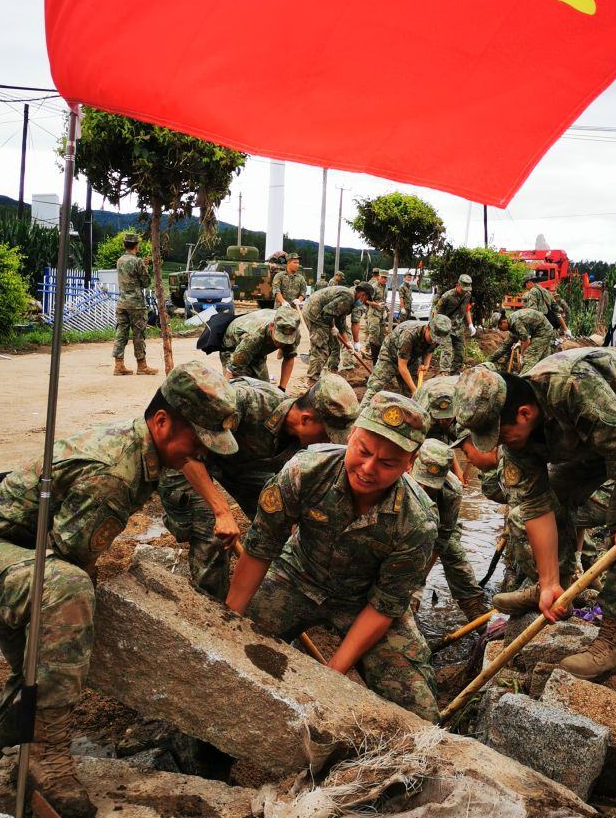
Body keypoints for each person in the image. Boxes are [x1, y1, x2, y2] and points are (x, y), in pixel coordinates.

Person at [0, 364, 239, 818]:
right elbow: (69, 560)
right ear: (161, 422)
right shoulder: (115, 473)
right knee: (70, 593)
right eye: (196, 443)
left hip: (19, 555)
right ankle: (47, 754)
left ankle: (1, 758)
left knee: (37, 663)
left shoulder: (144, 450)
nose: (200, 454)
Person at [454, 349, 616, 680]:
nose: (497, 447)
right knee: (555, 496)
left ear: (525, 414)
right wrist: (548, 583)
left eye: (500, 436)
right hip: (602, 433)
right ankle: (560, 586)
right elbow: (536, 506)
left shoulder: (570, 387)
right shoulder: (518, 441)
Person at [225, 392, 439, 720]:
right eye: (363, 451)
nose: (368, 469)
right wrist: (229, 622)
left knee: (419, 709)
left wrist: (332, 674)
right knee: (229, 652)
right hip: (295, 576)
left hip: (362, 601)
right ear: (351, 435)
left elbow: (384, 606)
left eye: (387, 463)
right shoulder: (305, 471)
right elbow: (261, 547)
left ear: (410, 463)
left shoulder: (418, 521)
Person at [158, 374, 359, 600]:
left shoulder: (299, 442)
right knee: (212, 534)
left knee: (276, 524)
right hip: (186, 460)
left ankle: (269, 597)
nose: (328, 444)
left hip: (241, 465)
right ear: (305, 419)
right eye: (326, 435)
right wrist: (221, 510)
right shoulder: (243, 402)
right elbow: (185, 452)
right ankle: (212, 609)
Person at [411, 438, 485, 621]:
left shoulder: (452, 491)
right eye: (422, 481)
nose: (423, 487)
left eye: (430, 484)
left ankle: (476, 613)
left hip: (436, 522)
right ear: (412, 461)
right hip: (402, 519)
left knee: (453, 552)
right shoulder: (396, 471)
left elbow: (441, 541)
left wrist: (419, 582)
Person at [302, 280, 374, 381]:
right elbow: (327, 313)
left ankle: (332, 372)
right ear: (362, 294)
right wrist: (332, 327)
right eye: (367, 298)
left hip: (322, 314)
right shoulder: (348, 297)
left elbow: (341, 322)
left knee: (335, 345)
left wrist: (348, 343)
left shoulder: (351, 299)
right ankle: (313, 378)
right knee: (321, 347)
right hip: (315, 314)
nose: (365, 302)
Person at [220, 306, 301, 388]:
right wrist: (228, 392)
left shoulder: (293, 331)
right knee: (241, 389)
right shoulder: (253, 337)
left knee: (265, 390)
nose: (281, 343)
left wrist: (282, 388)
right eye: (279, 339)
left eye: (286, 341)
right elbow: (232, 369)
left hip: (257, 351)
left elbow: (289, 357)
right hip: (233, 346)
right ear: (271, 326)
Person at [366, 316, 446, 396]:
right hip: (390, 356)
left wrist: (426, 364)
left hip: (411, 357)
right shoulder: (409, 334)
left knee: (410, 392)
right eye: (432, 338)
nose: (433, 342)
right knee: (375, 387)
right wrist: (414, 390)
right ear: (427, 328)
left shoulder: (437, 336)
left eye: (436, 341)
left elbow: (430, 349)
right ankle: (363, 408)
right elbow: (402, 366)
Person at [113, 232, 155, 376]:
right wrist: (144, 267)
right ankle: (142, 366)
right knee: (138, 334)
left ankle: (119, 365)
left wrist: (142, 264)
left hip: (122, 302)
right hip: (136, 304)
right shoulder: (138, 262)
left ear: (125, 244)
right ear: (136, 246)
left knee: (121, 332)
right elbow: (145, 282)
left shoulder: (120, 260)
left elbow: (129, 273)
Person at [493, 307, 557, 372]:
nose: (500, 330)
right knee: (540, 358)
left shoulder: (516, 323)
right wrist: (488, 361)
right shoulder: (511, 323)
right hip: (535, 331)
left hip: (543, 330)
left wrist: (521, 356)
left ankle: (523, 378)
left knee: (529, 356)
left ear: (503, 322)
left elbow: (527, 342)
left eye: (499, 327)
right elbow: (504, 347)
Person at [432, 274, 474, 372]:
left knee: (460, 353)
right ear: (458, 284)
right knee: (447, 350)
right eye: (463, 288)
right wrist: (436, 326)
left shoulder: (467, 295)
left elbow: (467, 309)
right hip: (446, 327)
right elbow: (436, 311)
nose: (465, 291)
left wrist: (471, 324)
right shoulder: (447, 296)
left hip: (458, 328)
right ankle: (444, 372)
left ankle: (454, 373)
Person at [413, 374, 460, 443]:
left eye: (447, 418)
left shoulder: (465, 402)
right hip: (426, 389)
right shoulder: (422, 413)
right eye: (439, 417)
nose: (443, 421)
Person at [363, 270, 391, 363]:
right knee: (374, 334)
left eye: (385, 278)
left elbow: (383, 300)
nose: (384, 279)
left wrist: (387, 310)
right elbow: (366, 300)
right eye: (382, 277)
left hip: (381, 314)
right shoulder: (374, 287)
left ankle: (377, 355)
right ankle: (367, 351)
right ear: (379, 277)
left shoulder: (385, 287)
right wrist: (377, 304)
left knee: (382, 335)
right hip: (374, 314)